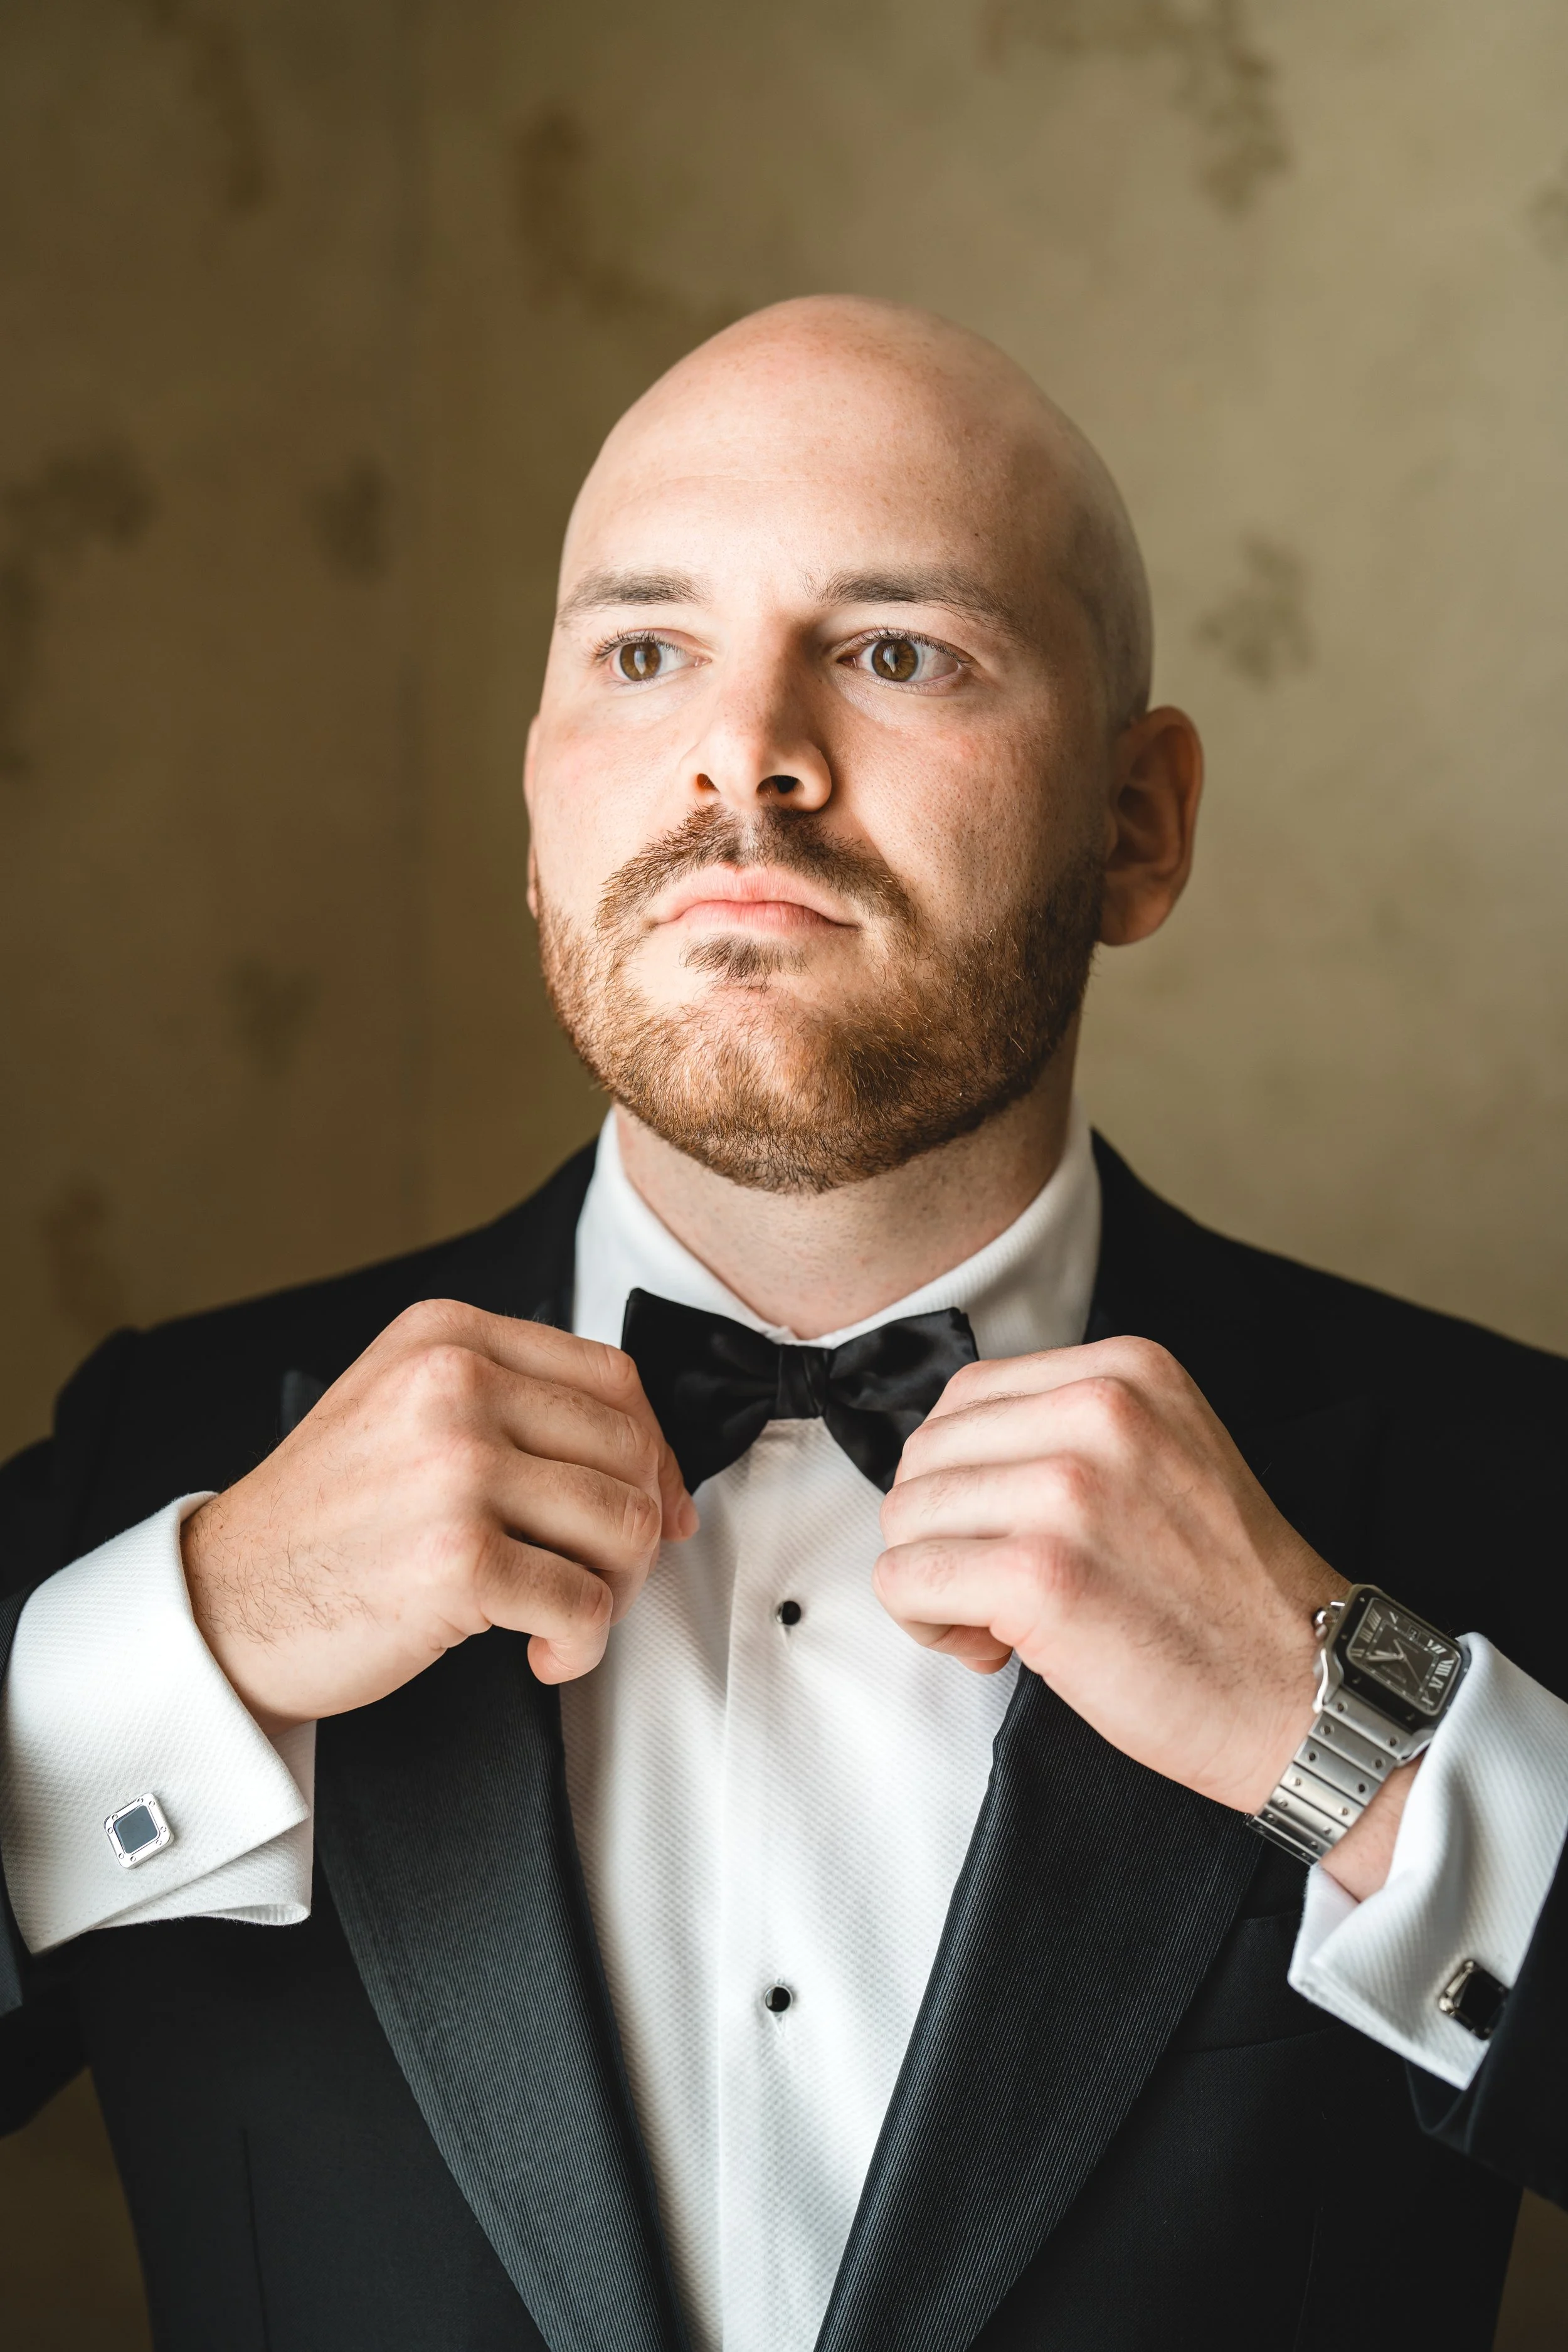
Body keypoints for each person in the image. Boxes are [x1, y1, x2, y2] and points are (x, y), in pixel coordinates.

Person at [2, 296, 1565, 2352]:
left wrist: (1350, 1742)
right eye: (643, 651)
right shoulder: (166, 1453)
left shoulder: (1494, 1475)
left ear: (1137, 820)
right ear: (541, 798)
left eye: (897, 649)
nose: (743, 748)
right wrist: (184, 1641)